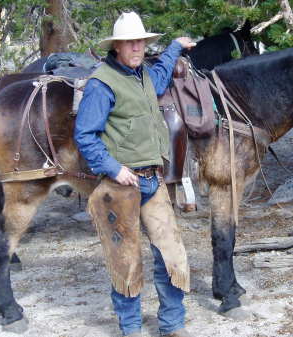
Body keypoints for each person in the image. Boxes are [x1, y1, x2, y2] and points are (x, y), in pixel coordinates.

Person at [74, 11, 196, 337]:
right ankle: (131, 330)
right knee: (125, 261)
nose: (137, 47)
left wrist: (174, 48)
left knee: (170, 252)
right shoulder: (102, 84)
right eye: (130, 42)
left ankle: (171, 324)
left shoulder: (142, 74)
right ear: (116, 47)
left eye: (140, 41)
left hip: (152, 181)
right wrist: (115, 169)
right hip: (120, 186)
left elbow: (159, 77)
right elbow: (85, 134)